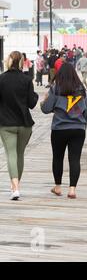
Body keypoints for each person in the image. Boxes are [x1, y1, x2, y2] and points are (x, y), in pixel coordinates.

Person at [41, 63, 87, 199]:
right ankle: (72, 189)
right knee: (75, 159)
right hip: (78, 129)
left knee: (58, 158)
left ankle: (57, 187)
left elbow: (46, 109)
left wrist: (44, 101)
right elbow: (86, 111)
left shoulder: (56, 88)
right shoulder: (81, 89)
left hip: (59, 129)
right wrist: (83, 125)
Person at [0, 51, 39, 200]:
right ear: (22, 62)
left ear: (8, 61)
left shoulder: (1, 79)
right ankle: (16, 185)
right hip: (24, 123)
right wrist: (35, 96)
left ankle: (15, 187)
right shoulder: (27, 79)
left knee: (11, 154)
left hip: (6, 123)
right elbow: (31, 103)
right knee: (20, 154)